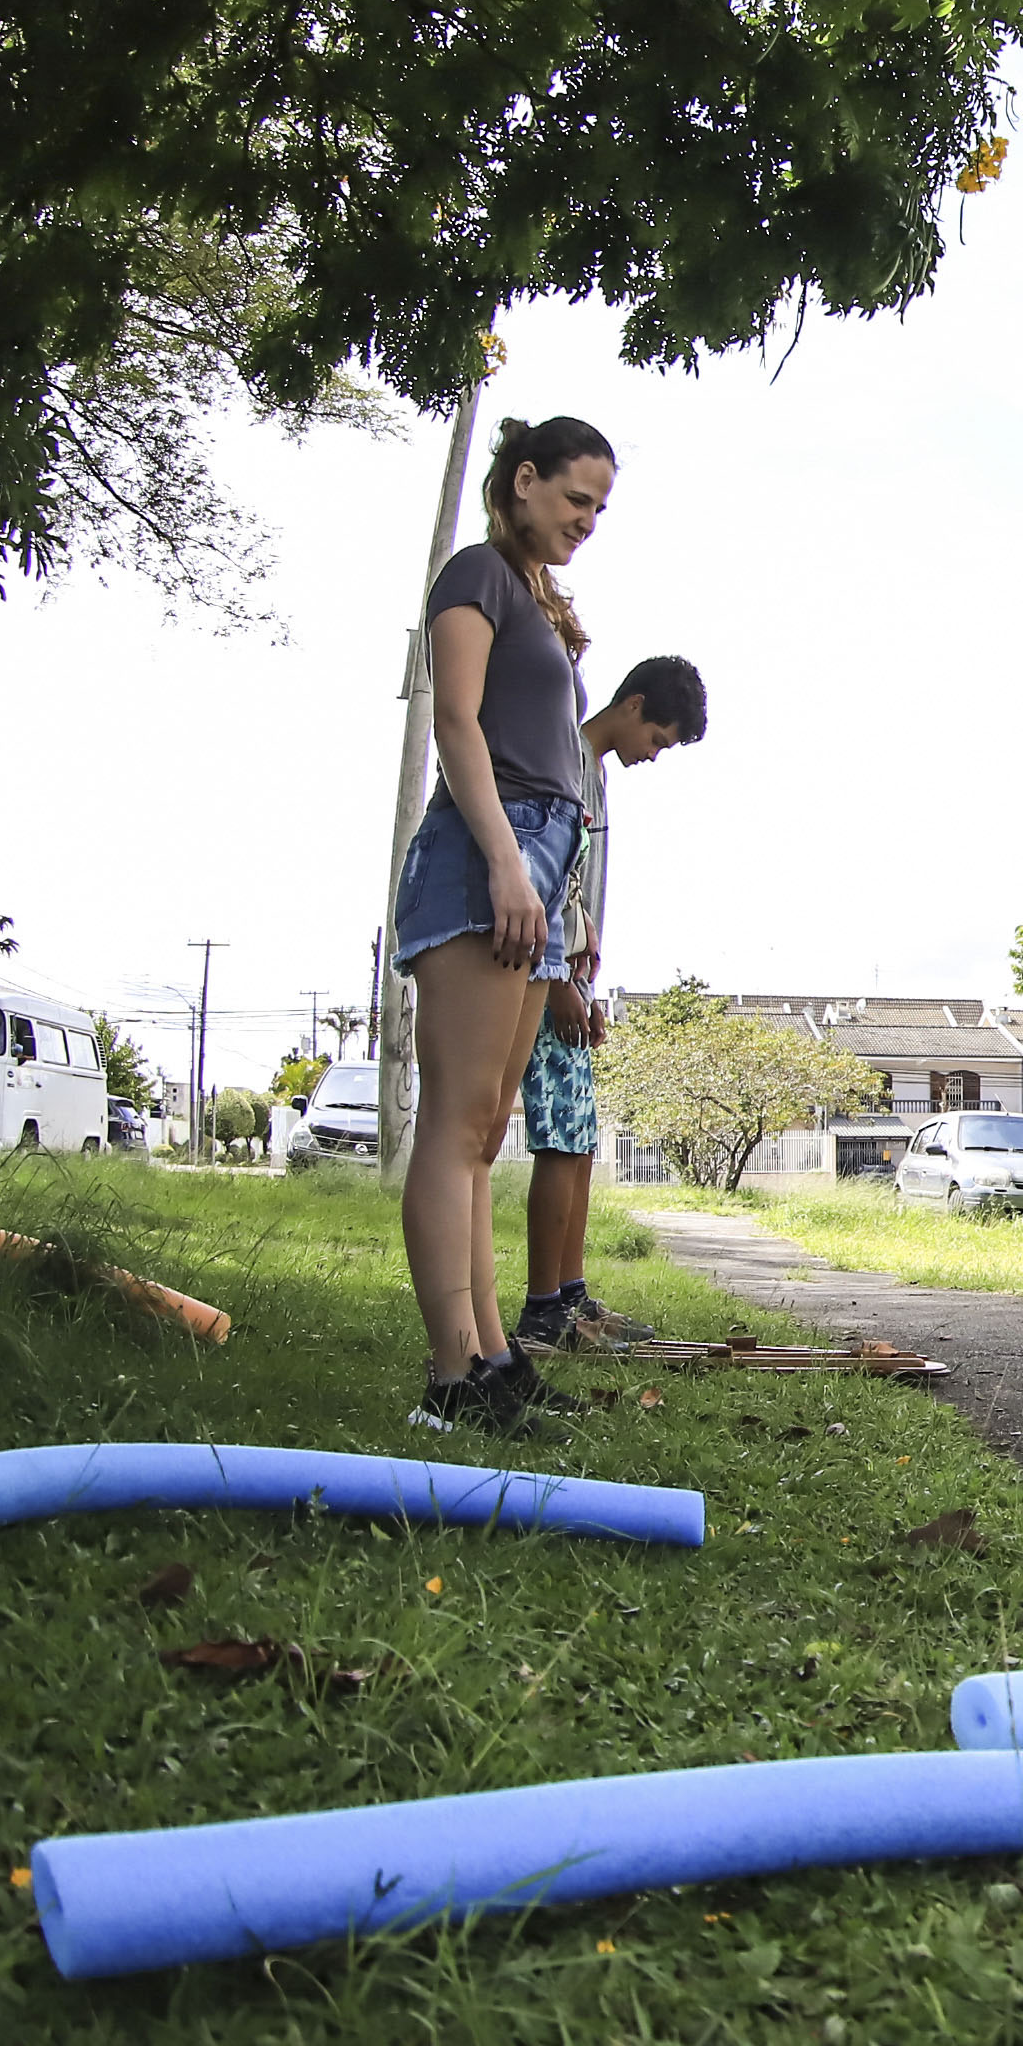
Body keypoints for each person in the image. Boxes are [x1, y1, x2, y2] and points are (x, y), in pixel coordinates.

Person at [391, 415, 618, 1436]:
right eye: (577, 498)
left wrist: (552, 883)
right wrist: (501, 860)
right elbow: (456, 724)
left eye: (600, 508)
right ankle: (450, 1378)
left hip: (538, 852)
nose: (588, 521)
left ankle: (491, 1353)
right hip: (492, 848)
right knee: (455, 1123)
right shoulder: (473, 575)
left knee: (486, 1133)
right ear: (523, 481)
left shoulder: (531, 595)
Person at [512, 656, 709, 1354]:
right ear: (632, 705)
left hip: (575, 974)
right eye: (657, 738)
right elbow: (539, 878)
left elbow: (584, 896)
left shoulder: (593, 774)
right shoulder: (563, 757)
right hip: (544, 969)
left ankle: (570, 1295)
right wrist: (559, 976)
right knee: (560, 1139)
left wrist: (588, 989)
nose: (652, 755)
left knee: (582, 1140)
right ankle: (543, 1310)